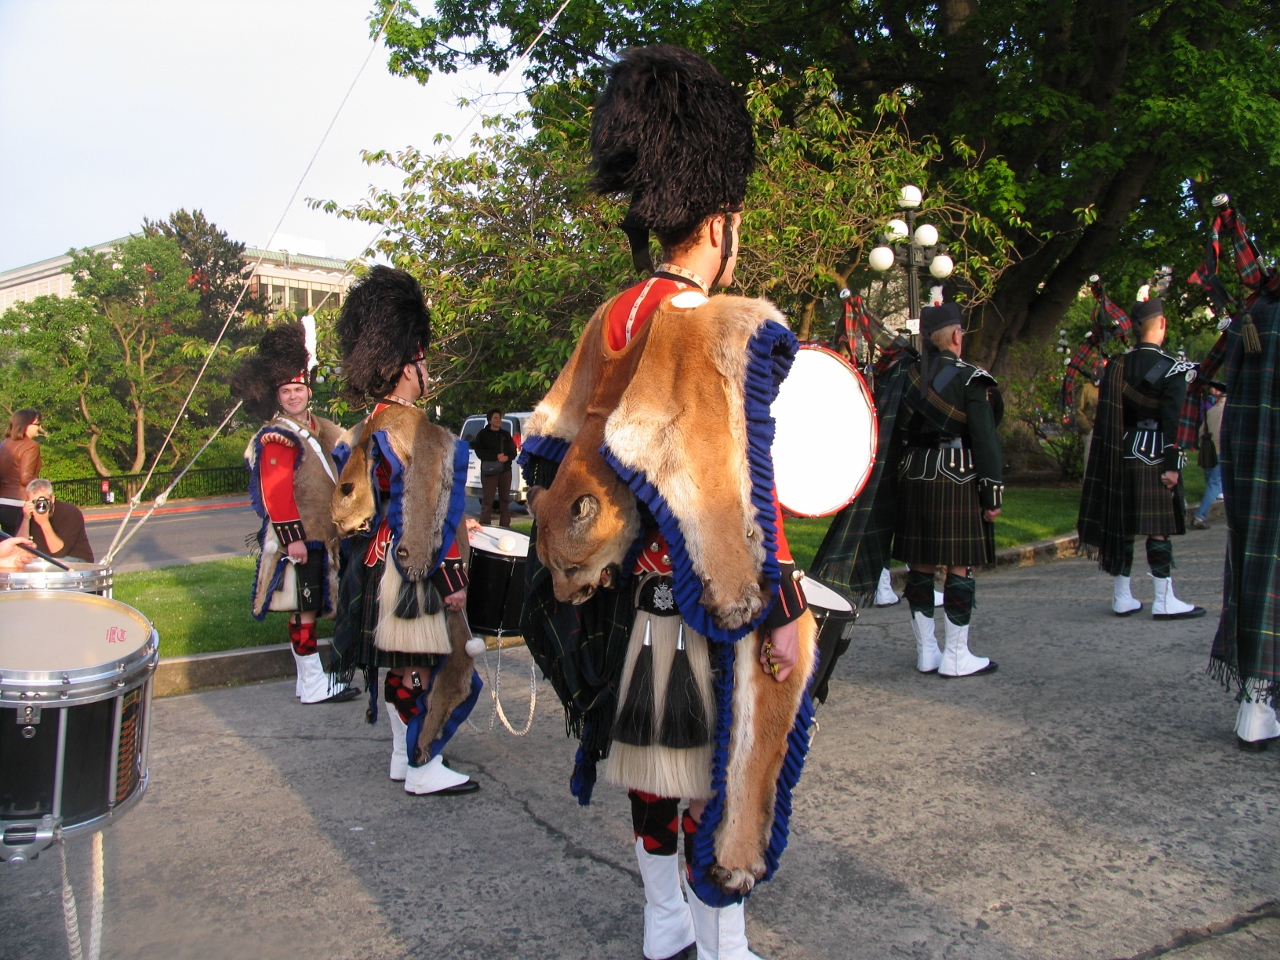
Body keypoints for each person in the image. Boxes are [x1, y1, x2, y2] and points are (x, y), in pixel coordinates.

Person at [521, 47, 816, 960]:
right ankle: (725, 947)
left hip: (629, 608)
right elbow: (734, 502)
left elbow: (543, 450)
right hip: (700, 613)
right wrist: (783, 608)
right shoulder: (727, 326)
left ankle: (662, 929)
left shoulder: (609, 318)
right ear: (719, 220)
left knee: (651, 778)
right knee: (721, 779)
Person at [330, 265, 481, 797]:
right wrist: (450, 580)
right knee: (444, 669)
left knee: (402, 666)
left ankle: (402, 754)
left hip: (378, 565)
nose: (428, 367)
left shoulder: (366, 424)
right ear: (407, 363)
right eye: (423, 357)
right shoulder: (420, 431)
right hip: (415, 570)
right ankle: (421, 763)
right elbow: (419, 515)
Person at [230, 320, 359, 706]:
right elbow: (275, 493)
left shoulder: (319, 426)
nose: (292, 396)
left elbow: (350, 445)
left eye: (297, 389)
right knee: (302, 611)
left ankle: (307, 682)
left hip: (321, 535)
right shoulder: (278, 435)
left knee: (309, 608)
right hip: (299, 538)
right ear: (278, 394)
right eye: (285, 391)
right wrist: (293, 540)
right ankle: (313, 682)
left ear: (308, 389)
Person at [1078, 298, 1205, 620]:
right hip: (1155, 453)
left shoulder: (1118, 365)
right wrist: (1174, 466)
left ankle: (1122, 596)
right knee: (1157, 528)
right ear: (1161, 324)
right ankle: (1164, 599)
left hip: (1121, 451)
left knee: (1124, 526)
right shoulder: (1172, 368)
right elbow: (1173, 420)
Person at [15, 479, 93, 561]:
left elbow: (59, 552)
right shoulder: (26, 514)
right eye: (34, 502)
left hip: (74, 559)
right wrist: (26, 519)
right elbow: (20, 547)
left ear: (52, 498)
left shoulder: (69, 512)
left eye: (43, 501)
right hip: (43, 559)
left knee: (53, 563)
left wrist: (44, 523)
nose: (40, 505)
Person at [0, 409, 42, 535]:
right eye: (37, 424)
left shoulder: (4, 444)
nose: (39, 428)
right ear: (26, 424)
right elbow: (26, 478)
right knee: (27, 547)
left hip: (3, 503)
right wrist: (42, 487)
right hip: (20, 503)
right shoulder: (30, 446)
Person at [473, 409, 516, 527]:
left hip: (505, 470)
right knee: (488, 500)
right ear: (490, 420)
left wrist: (507, 458)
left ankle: (505, 525)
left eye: (499, 418)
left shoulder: (505, 435)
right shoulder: (483, 434)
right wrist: (495, 456)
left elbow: (513, 452)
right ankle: (485, 525)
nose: (498, 420)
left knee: (505, 500)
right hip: (489, 471)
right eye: (495, 418)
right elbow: (479, 451)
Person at [1192, 387, 1224, 528]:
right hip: (1221, 450)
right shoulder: (1229, 410)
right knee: (1214, 484)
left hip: (1208, 452)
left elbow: (1201, 431)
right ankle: (1199, 516)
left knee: (1212, 482)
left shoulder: (1211, 410)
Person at [1076, 364, 1100, 468]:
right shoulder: (1086, 388)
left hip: (1105, 430)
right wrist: (1088, 429)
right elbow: (1078, 410)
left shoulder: (1109, 388)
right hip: (1091, 429)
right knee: (1090, 464)